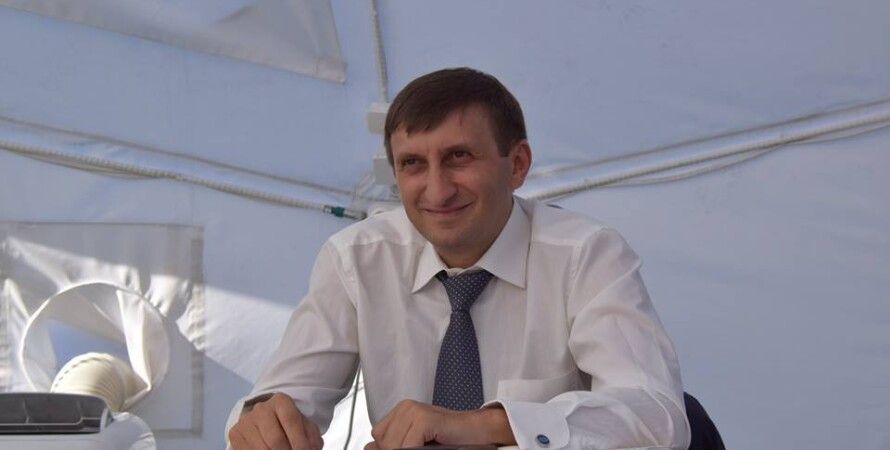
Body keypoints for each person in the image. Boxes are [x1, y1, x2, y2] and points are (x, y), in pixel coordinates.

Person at [226, 67, 690, 450]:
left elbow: (658, 418)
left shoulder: (586, 255)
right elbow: (281, 401)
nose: (437, 190)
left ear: (517, 165)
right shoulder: (356, 260)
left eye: (458, 157)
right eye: (412, 164)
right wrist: (263, 423)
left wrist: (485, 426)